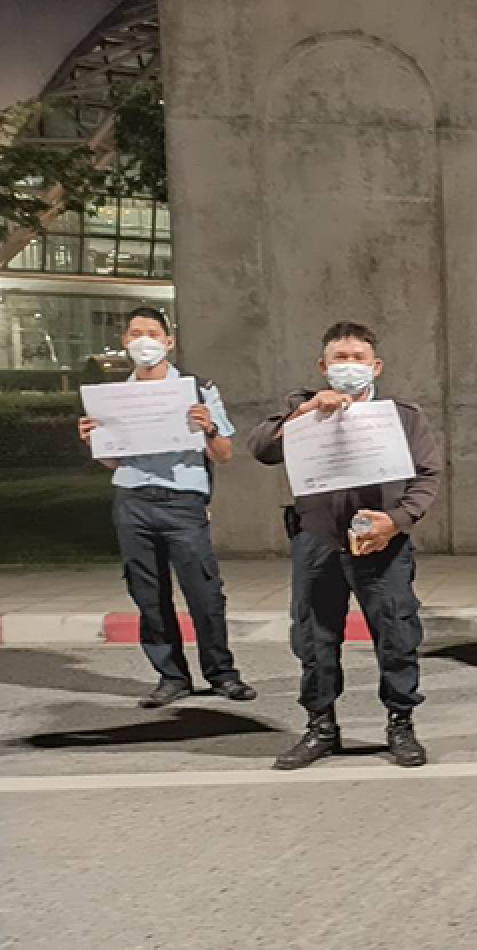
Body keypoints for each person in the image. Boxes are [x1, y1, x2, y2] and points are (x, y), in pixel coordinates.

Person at [249, 322, 442, 770]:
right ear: (323, 366)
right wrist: (307, 412)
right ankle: (321, 727)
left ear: (376, 367)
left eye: (358, 358)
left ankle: (400, 723)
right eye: (340, 358)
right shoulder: (301, 410)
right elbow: (260, 447)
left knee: (395, 633)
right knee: (315, 639)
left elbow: (427, 476)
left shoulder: (403, 416)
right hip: (317, 541)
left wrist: (396, 521)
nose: (349, 366)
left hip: (382, 543)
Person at [76, 306, 255, 708]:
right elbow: (114, 461)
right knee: (148, 593)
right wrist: (93, 441)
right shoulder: (113, 398)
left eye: (153, 333)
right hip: (133, 500)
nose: (144, 341)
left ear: (168, 342)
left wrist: (208, 426)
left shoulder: (197, 389)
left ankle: (222, 673)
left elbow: (224, 453)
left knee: (204, 591)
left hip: (183, 501)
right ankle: (171, 676)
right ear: (124, 341)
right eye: (135, 333)